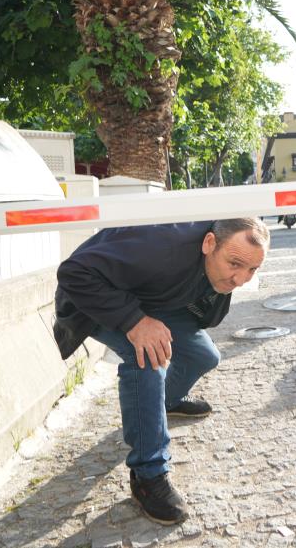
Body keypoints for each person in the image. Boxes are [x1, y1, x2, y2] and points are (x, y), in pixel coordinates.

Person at [53, 218, 269, 525]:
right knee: (148, 357)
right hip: (96, 298)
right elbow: (73, 272)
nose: (241, 279)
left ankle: (160, 404)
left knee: (204, 355)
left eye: (252, 269)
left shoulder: (227, 262)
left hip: (153, 299)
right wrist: (135, 322)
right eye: (235, 264)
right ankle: (148, 475)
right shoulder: (161, 249)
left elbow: (209, 309)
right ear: (209, 244)